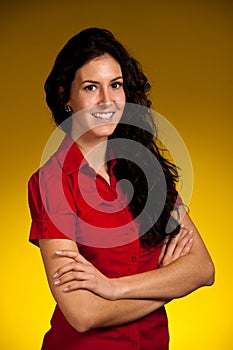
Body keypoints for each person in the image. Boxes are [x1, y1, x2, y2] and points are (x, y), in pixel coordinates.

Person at [28, 28, 215, 350]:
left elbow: (203, 269)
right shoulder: (52, 183)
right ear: (65, 97)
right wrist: (168, 281)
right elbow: (84, 313)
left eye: (115, 85)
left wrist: (113, 289)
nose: (107, 101)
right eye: (90, 87)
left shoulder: (147, 169)